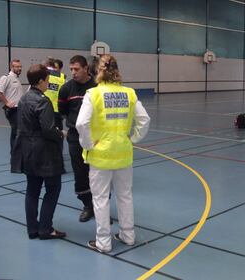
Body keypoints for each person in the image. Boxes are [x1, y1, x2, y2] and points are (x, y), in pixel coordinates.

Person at [76, 54, 150, 253]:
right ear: (117, 70)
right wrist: (132, 138)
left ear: (98, 71)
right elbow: (144, 120)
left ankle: (104, 242)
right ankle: (128, 235)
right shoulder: (130, 93)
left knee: (100, 199)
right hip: (123, 155)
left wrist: (89, 144)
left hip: (100, 157)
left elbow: (81, 123)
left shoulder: (93, 94)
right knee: (125, 196)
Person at [10, 64, 66, 240]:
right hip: (44, 153)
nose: (48, 82)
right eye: (47, 79)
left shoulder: (24, 99)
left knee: (32, 190)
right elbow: (48, 129)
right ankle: (46, 229)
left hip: (27, 151)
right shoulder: (42, 100)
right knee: (53, 188)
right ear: (41, 80)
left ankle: (32, 229)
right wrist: (61, 133)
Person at [58, 55, 96, 222]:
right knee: (80, 174)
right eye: (71, 69)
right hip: (75, 137)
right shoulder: (66, 89)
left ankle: (99, 207)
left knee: (97, 174)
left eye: (76, 69)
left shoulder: (97, 86)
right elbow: (63, 110)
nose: (73, 72)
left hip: (96, 137)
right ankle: (88, 205)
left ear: (86, 68)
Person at [0, 59, 24, 151]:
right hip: (12, 110)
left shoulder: (16, 79)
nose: (19, 68)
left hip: (19, 109)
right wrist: (7, 103)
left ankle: (18, 152)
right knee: (16, 130)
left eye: (20, 66)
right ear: (12, 67)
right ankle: (15, 153)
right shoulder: (6, 78)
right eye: (17, 66)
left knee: (18, 130)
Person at [43, 57, 66, 130]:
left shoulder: (41, 74)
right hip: (57, 112)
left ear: (46, 65)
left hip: (42, 109)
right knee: (58, 135)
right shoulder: (63, 78)